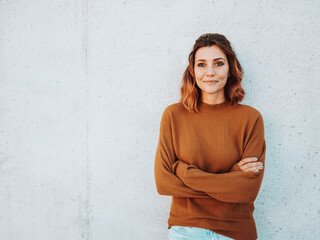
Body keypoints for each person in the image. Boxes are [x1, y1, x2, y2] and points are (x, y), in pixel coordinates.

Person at [154, 33, 266, 240]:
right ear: (193, 71)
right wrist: (230, 178)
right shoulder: (174, 115)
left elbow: (247, 191)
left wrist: (183, 172)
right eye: (202, 64)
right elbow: (163, 183)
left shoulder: (251, 118)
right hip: (186, 230)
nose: (210, 72)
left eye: (219, 63)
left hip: (237, 231)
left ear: (230, 69)